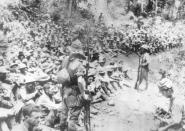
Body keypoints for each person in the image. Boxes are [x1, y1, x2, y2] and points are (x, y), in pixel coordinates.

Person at [57, 53, 89, 131]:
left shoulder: (65, 64)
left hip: (65, 90)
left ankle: (62, 128)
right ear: (79, 58)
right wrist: (83, 94)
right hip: (74, 92)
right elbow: (80, 81)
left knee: (64, 112)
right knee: (74, 115)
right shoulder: (79, 66)